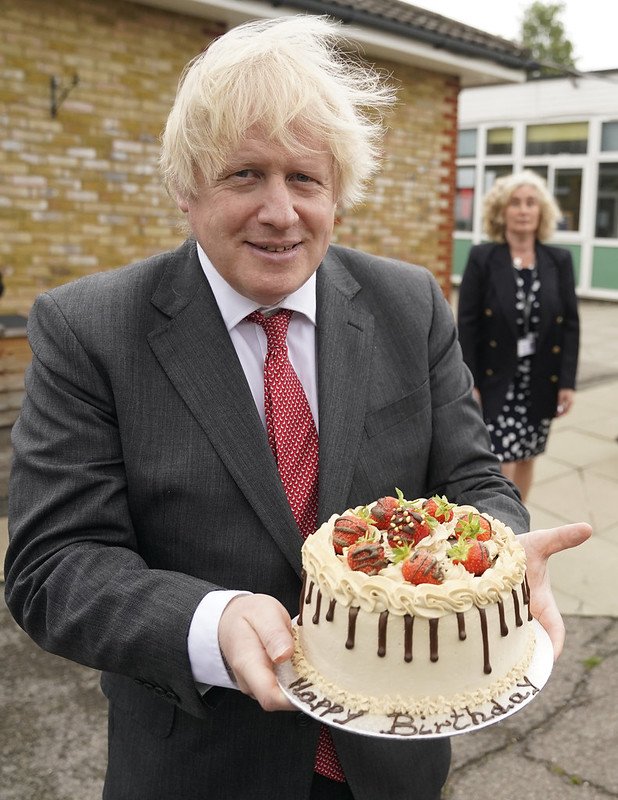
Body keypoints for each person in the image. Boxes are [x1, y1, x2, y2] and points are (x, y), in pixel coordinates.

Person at [4, 17, 590, 800]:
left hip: (394, 763)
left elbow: (477, 484)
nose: (280, 212)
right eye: (244, 174)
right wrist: (208, 622)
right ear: (186, 188)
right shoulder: (90, 330)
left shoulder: (408, 305)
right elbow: (54, 565)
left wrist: (501, 561)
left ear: (337, 192)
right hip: (203, 767)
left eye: (305, 179)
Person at [457, 170, 580, 502]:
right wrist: (470, 380)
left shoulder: (558, 260)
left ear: (541, 212)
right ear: (502, 211)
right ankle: (503, 526)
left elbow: (569, 323)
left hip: (540, 377)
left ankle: (519, 521)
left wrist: (567, 381)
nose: (524, 210)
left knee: (527, 454)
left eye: (531, 203)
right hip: (498, 377)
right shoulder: (483, 258)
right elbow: (467, 323)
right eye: (515, 203)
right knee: (501, 461)